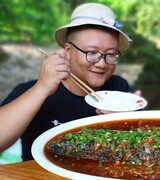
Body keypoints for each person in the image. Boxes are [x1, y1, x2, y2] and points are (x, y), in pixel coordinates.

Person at [0, 3, 141, 160]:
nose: (102, 63)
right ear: (68, 50)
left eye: (110, 54)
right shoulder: (33, 91)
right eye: (91, 52)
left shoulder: (118, 88)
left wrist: (130, 123)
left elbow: (137, 146)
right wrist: (41, 88)